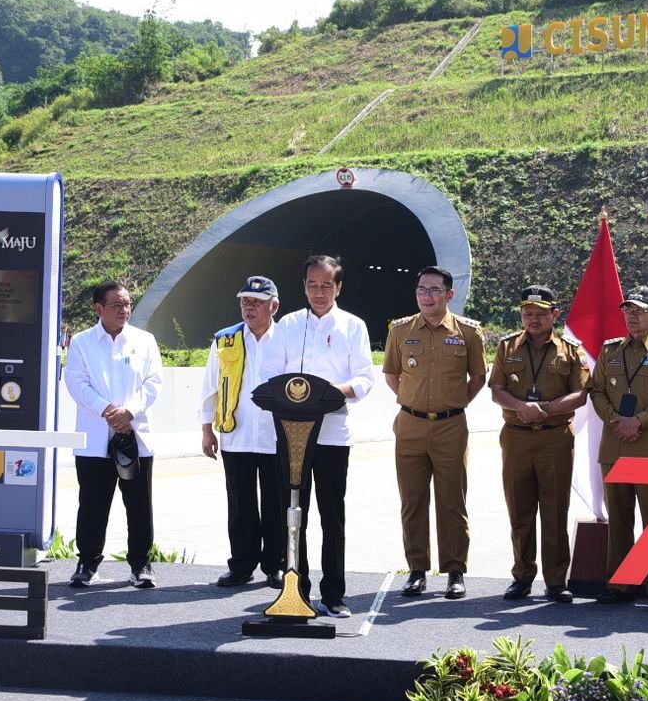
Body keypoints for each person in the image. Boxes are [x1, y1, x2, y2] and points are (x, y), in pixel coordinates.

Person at [259, 255, 376, 617]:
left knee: (331, 515)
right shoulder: (288, 325)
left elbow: (365, 379)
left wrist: (328, 393)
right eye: (312, 284)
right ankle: (297, 590)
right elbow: (268, 373)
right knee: (294, 513)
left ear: (339, 287)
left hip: (332, 436)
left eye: (327, 284)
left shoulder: (353, 326)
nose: (319, 292)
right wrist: (298, 394)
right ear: (304, 286)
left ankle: (334, 593)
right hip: (291, 434)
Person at [383, 266, 487, 599]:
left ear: (449, 295)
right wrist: (413, 403)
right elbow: (391, 375)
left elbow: (478, 379)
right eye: (422, 290)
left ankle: (455, 571)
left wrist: (454, 405)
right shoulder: (399, 331)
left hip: (451, 427)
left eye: (435, 290)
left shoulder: (469, 333)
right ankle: (417, 570)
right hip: (410, 426)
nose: (427, 296)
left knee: (452, 500)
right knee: (412, 501)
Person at [489, 285, 588, 603]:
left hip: (554, 438)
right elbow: (496, 389)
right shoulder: (507, 348)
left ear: (554, 314)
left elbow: (581, 394)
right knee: (519, 509)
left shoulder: (571, 350)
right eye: (527, 313)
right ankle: (522, 576)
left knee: (555, 510)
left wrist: (544, 409)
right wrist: (521, 407)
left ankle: (556, 581)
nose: (533, 319)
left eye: (540, 313)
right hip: (516, 437)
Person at [586, 285, 648, 610]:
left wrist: (638, 420)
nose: (632, 315)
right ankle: (622, 583)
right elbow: (596, 390)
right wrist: (615, 419)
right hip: (615, 446)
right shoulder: (610, 350)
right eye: (628, 309)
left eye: (640, 310)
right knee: (620, 518)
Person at [63, 280, 163, 589]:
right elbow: (77, 383)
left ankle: (141, 564)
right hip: (95, 438)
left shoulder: (144, 340)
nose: (125, 310)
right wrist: (109, 411)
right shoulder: (82, 342)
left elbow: (153, 382)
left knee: (139, 504)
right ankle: (87, 562)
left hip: (135, 434)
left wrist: (128, 411)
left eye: (128, 304)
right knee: (93, 503)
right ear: (99, 309)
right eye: (117, 305)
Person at [199, 275, 284, 589]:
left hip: (277, 438)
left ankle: (275, 566)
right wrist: (207, 431)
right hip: (237, 435)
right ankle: (241, 565)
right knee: (240, 504)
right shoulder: (225, 339)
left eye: (257, 302)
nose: (249, 307)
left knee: (276, 504)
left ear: (274, 306)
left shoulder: (287, 338)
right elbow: (209, 388)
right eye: (245, 301)